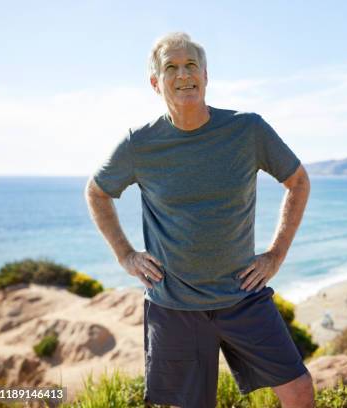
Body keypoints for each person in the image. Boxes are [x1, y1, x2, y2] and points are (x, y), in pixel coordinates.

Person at [84, 32, 314, 408]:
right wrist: (125, 255)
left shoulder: (247, 130)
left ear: (206, 75)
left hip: (244, 297)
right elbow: (96, 192)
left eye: (191, 65)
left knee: (299, 391)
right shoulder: (139, 143)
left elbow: (298, 181)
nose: (184, 74)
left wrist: (275, 255)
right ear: (156, 83)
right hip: (173, 305)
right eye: (171, 67)